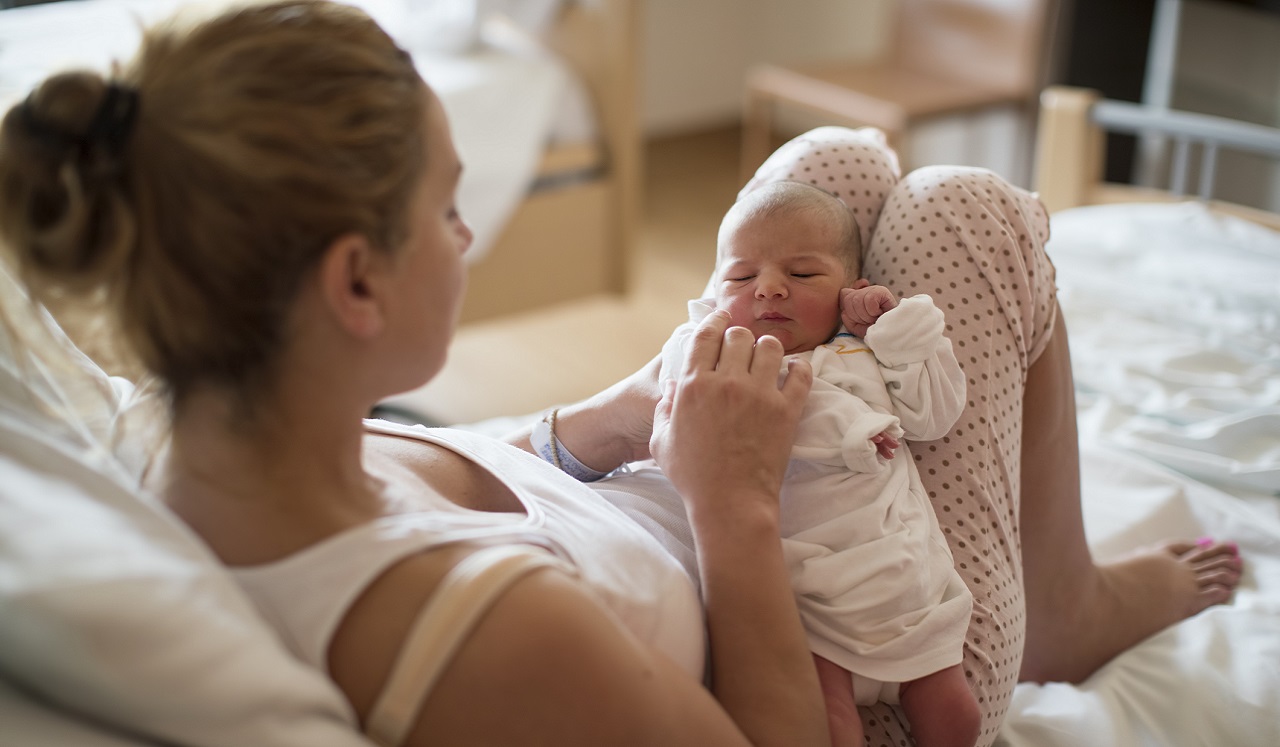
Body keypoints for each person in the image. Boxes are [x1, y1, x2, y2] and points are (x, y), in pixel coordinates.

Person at [0, 2, 1242, 745]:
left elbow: (508, 484)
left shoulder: (186, 433)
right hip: (852, 646)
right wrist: (732, 502)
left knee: (829, 172)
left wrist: (601, 423)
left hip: (716, 477)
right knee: (965, 214)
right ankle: (1054, 611)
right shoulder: (487, 634)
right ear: (355, 285)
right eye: (445, 210)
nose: (465, 237)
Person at [659, 179, 979, 747]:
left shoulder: (861, 352)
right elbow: (743, 426)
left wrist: (894, 328)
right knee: (831, 726)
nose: (770, 290)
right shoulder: (729, 364)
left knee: (959, 720)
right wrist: (855, 434)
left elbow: (936, 416)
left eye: (802, 275)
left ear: (848, 289)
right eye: (741, 277)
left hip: (904, 591)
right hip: (807, 600)